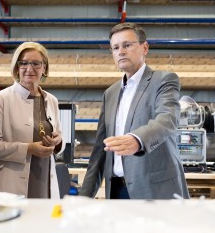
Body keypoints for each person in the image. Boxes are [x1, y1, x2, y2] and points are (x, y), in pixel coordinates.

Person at [79, 23, 189, 199]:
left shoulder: (164, 80)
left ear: (144, 48)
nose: (121, 51)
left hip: (154, 191)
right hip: (116, 190)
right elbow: (100, 150)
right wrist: (83, 199)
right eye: (115, 47)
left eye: (127, 45)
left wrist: (137, 140)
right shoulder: (110, 93)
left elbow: (167, 119)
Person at [0, 42, 65, 199]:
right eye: (24, 63)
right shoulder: (1, 99)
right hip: (10, 184)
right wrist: (28, 149)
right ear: (16, 67)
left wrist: (58, 141)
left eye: (36, 63)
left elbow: (58, 136)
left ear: (44, 68)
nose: (29, 68)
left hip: (44, 177)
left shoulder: (51, 100)